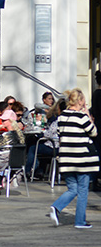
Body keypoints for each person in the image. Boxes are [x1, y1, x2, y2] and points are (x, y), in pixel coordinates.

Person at [49, 88, 98, 229]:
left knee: (72, 189)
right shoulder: (81, 117)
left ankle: (56, 206)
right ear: (80, 101)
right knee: (83, 190)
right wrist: (88, 115)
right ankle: (80, 221)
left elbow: (59, 133)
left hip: (66, 159)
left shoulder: (62, 117)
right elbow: (93, 132)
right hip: (82, 159)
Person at [27, 98, 65, 179]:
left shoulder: (58, 120)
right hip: (63, 147)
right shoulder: (68, 119)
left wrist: (44, 132)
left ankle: (27, 171)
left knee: (33, 148)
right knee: (41, 145)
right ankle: (40, 171)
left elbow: (48, 134)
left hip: (55, 147)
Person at [0, 109, 25, 195]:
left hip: (3, 161)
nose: (1, 122)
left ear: (10, 121)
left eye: (3, 120)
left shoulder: (6, 136)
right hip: (17, 162)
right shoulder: (20, 134)